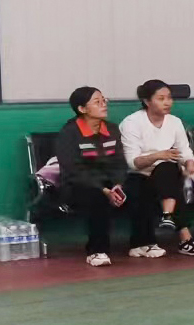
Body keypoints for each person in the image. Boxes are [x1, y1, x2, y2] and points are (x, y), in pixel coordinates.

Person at [54, 87, 141, 267]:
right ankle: (97, 251)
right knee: (97, 198)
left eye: (104, 100)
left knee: (140, 186)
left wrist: (118, 185)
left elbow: (119, 162)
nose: (104, 104)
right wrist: (104, 190)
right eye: (97, 102)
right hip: (78, 185)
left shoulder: (112, 129)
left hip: (109, 182)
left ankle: (142, 243)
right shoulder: (69, 133)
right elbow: (73, 170)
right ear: (82, 109)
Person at [119, 79, 194, 257]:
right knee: (162, 178)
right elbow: (132, 162)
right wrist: (158, 155)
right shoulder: (131, 123)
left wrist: (190, 163)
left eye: (169, 98)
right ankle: (183, 236)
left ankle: (167, 218)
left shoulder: (174, 122)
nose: (167, 102)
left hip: (167, 173)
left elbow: (184, 151)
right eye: (161, 98)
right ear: (147, 101)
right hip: (139, 174)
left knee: (168, 170)